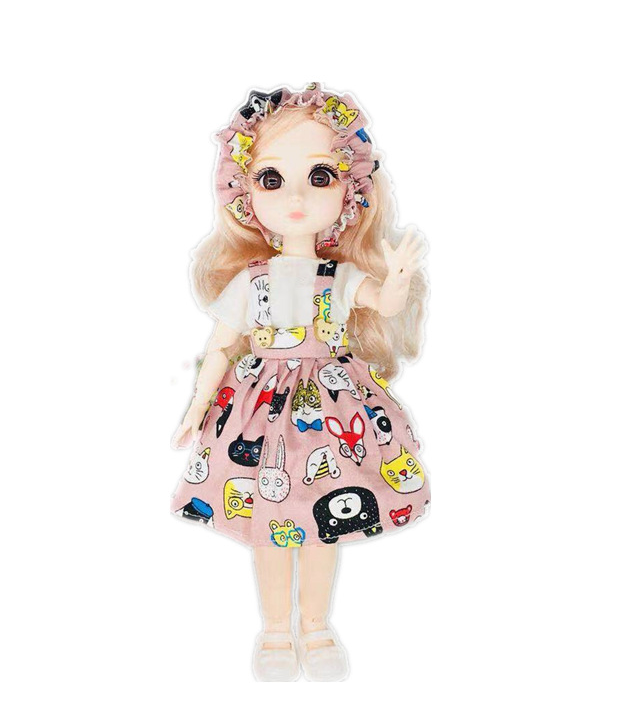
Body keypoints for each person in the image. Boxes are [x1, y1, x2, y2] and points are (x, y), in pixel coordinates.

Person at [170, 82, 431, 681]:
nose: (295, 197)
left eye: (319, 177)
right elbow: (221, 345)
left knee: (322, 524)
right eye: (271, 179)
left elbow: (383, 304)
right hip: (259, 410)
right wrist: (196, 405)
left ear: (349, 190)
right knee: (269, 525)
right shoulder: (253, 280)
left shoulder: (337, 277)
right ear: (244, 193)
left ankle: (315, 627)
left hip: (332, 406)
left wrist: (397, 278)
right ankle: (274, 631)